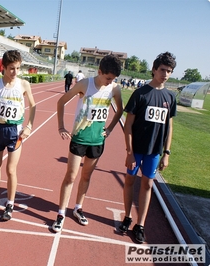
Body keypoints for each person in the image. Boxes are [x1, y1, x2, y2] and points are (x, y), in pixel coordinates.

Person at [52, 54, 123, 233]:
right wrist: (61, 127)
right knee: (71, 176)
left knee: (86, 176)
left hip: (97, 140)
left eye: (113, 79)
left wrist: (110, 129)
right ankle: (60, 213)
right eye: (107, 78)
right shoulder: (85, 84)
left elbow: (120, 110)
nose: (109, 82)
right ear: (99, 72)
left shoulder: (115, 89)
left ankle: (77, 208)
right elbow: (61, 102)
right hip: (79, 138)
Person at [119, 52, 177, 243]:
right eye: (162, 70)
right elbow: (128, 125)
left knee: (147, 184)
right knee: (129, 181)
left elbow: (169, 126)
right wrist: (129, 152)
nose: (165, 74)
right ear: (154, 70)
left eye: (169, 71)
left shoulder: (170, 96)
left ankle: (140, 224)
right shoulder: (140, 93)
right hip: (136, 149)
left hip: (154, 151)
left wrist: (166, 153)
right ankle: (127, 217)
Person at [0, 50, 36, 221]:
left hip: (15, 132)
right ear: (3, 67)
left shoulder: (24, 85)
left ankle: (10, 204)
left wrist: (29, 126)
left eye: (18, 68)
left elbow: (33, 106)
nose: (15, 72)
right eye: (11, 68)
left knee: (11, 169)